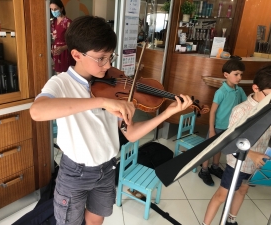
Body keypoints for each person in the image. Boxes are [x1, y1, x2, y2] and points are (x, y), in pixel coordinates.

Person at [30, 16, 193, 225]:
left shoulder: (112, 86)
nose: (107, 65)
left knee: (96, 221)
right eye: (101, 58)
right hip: (75, 174)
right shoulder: (61, 83)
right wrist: (100, 102)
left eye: (110, 57)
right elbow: (37, 111)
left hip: (107, 169)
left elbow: (131, 133)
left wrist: (166, 114)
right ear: (76, 55)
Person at [202, 65, 271, 225]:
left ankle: (231, 220)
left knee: (243, 190)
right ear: (256, 88)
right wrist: (252, 154)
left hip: (257, 163)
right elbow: (231, 142)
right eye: (268, 95)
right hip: (238, 163)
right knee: (222, 195)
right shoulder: (241, 111)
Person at [199, 59, 247, 186]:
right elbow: (213, 112)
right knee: (209, 149)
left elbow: (246, 105)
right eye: (236, 74)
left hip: (230, 127)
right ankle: (204, 171)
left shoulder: (239, 91)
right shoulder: (221, 92)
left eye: (241, 74)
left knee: (219, 148)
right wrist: (211, 129)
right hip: (217, 126)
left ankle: (215, 167)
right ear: (226, 75)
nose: (239, 77)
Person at [50, 0, 75, 74]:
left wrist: (63, 48)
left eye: (56, 9)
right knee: (58, 75)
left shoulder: (68, 22)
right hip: (54, 52)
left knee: (66, 75)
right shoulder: (52, 22)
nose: (53, 11)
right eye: (52, 9)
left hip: (65, 52)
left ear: (61, 8)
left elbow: (73, 40)